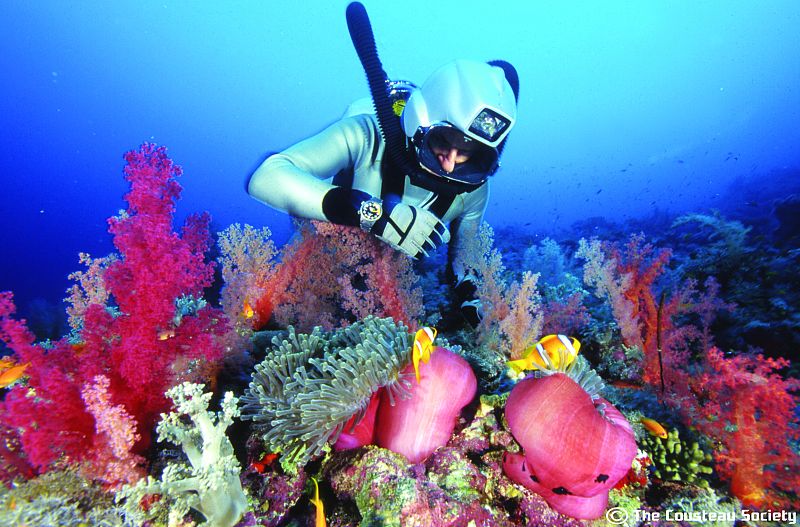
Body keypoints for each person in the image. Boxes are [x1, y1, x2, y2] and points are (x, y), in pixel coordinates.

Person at [247, 59, 518, 326]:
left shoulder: (474, 189)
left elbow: (464, 255)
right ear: (418, 123)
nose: (449, 164)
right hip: (323, 260)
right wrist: (372, 213)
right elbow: (266, 178)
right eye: (442, 141)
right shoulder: (366, 135)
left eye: (467, 152)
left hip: (390, 286)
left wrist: (471, 296)